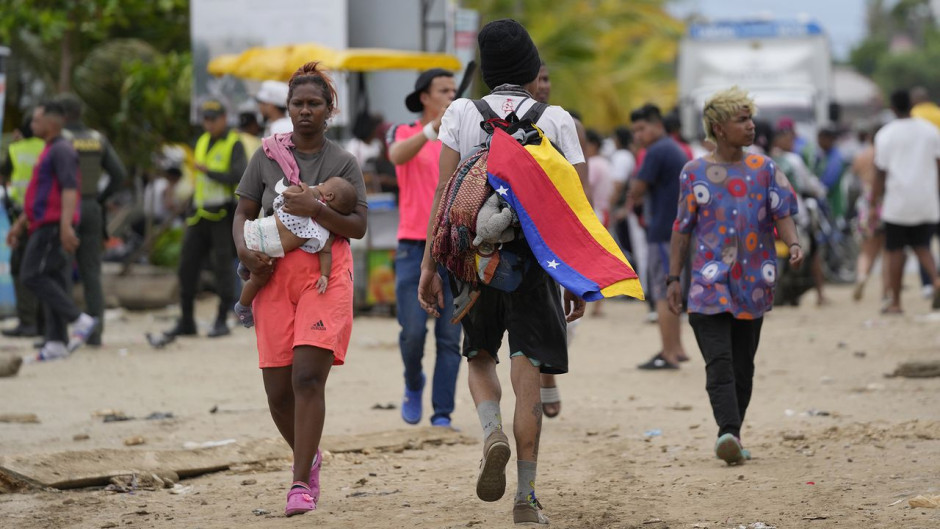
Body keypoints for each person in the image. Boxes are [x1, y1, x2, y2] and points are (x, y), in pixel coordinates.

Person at [418, 19, 587, 525]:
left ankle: (491, 431)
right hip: (534, 265)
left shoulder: (461, 113)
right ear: (532, 67)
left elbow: (446, 195)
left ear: (487, 71)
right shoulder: (555, 118)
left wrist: (430, 264)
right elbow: (578, 206)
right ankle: (527, 497)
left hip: (473, 259)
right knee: (527, 371)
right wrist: (579, 277)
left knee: (479, 356)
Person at [233, 61, 368, 517]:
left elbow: (359, 225)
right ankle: (309, 460)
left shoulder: (344, 162)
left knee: (307, 376)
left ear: (330, 110)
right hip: (273, 276)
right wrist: (246, 252)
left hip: (324, 273)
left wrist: (316, 208)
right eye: (298, 103)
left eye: (315, 104)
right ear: (287, 108)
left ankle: (298, 485)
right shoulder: (265, 157)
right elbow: (243, 212)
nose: (305, 111)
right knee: (277, 393)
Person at [667, 86, 804, 465]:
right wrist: (673, 278)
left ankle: (733, 434)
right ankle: (727, 431)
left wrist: (792, 244)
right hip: (707, 286)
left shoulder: (765, 169)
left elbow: (783, 213)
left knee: (744, 368)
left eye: (750, 118)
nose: (751, 125)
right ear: (718, 128)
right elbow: (682, 228)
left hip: (753, 284)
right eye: (741, 119)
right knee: (720, 363)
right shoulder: (693, 172)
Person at [386, 68, 463, 428]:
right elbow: (397, 155)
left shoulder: (462, 137)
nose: (451, 95)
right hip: (413, 246)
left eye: (453, 90)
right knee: (413, 331)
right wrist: (432, 130)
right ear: (424, 98)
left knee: (450, 337)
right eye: (443, 90)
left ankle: (442, 413)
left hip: (454, 248)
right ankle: (413, 382)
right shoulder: (404, 131)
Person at [5, 102, 100, 360]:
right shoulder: (48, 150)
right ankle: (56, 341)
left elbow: (70, 189)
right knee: (54, 279)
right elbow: (39, 193)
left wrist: (66, 225)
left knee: (31, 275)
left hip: (52, 224)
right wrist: (19, 224)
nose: (32, 125)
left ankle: (78, 319)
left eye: (36, 120)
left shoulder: (62, 150)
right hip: (40, 221)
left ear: (52, 122)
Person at [165, 99, 247, 338]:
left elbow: (239, 176)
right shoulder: (200, 141)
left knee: (223, 269)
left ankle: (221, 319)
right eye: (205, 119)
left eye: (213, 118)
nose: (208, 123)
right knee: (186, 267)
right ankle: (186, 320)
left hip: (222, 214)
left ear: (223, 119)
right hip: (198, 214)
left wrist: (209, 172)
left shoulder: (234, 143)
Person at [234, 176, 357, 327]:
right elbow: (288, 194)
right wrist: (304, 191)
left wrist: (325, 275)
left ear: (330, 195)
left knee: (258, 279)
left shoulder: (324, 227)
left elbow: (325, 251)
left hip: (269, 252)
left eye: (323, 184)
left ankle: (242, 304)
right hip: (258, 232)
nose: (319, 184)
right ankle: (244, 291)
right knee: (256, 274)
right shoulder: (306, 195)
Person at [58, 93, 128, 346]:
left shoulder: (59, 140)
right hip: (91, 208)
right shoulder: (97, 139)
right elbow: (118, 174)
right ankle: (95, 334)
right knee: (91, 273)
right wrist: (99, 197)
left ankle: (62, 333)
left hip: (66, 209)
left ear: (62, 115)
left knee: (61, 271)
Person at [630, 103, 690, 370]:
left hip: (663, 232)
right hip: (676, 231)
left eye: (641, 129)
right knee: (673, 291)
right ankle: (677, 348)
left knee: (662, 294)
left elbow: (636, 189)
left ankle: (668, 353)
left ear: (657, 125)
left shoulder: (656, 151)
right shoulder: (673, 148)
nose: (638, 136)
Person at [871, 89, 940, 314]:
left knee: (895, 250)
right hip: (926, 199)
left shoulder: (885, 134)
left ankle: (896, 302)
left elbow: (880, 173)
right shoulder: (930, 131)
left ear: (891, 109)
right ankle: (937, 280)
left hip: (898, 202)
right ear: (912, 105)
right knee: (922, 245)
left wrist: (873, 203)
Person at [0, 114, 45, 338]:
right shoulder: (48, 146)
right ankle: (42, 322)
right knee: (42, 268)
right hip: (44, 214)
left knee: (22, 268)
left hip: (23, 214)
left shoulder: (16, 149)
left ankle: (28, 322)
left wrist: (14, 144)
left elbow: (5, 173)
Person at [850, 126, 887, 302]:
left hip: (866, 201)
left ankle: (862, 277)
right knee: (888, 249)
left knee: (866, 250)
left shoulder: (861, 156)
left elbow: (853, 179)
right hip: (884, 202)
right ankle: (886, 292)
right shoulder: (885, 155)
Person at [585, 128, 614, 316]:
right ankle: (598, 303)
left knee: (592, 259)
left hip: (594, 213)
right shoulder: (605, 163)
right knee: (599, 257)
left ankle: (596, 302)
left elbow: (584, 187)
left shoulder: (593, 164)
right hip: (604, 212)